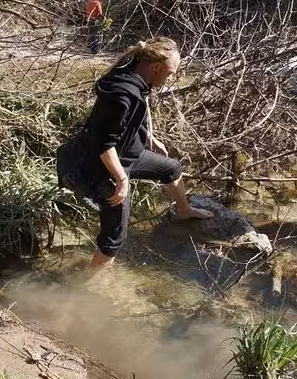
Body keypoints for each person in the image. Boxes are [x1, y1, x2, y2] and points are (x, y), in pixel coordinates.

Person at [59, 37, 213, 268]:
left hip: (129, 155)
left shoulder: (136, 79)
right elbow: (104, 143)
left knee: (172, 168)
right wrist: (121, 179)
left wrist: (149, 137)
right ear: (155, 68)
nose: (170, 79)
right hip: (107, 169)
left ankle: (184, 210)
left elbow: (121, 123)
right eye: (170, 73)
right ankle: (86, 287)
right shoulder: (123, 92)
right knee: (115, 237)